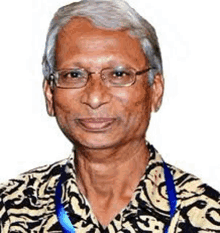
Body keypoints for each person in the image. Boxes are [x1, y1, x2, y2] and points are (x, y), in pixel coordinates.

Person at [0, 0, 220, 232]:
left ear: (155, 90)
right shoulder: (11, 210)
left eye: (118, 74)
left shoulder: (206, 216)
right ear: (49, 94)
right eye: (74, 75)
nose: (95, 98)